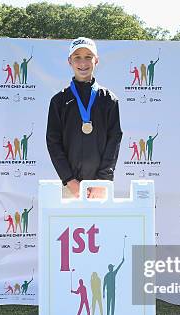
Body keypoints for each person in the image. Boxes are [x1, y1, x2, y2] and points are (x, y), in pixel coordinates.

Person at [46, 37, 123, 199]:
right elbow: (53, 143)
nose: (83, 62)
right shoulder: (59, 101)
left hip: (100, 188)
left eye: (88, 57)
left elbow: (114, 141)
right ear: (69, 61)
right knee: (69, 225)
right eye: (77, 57)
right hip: (70, 188)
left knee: (101, 225)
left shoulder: (108, 99)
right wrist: (69, 180)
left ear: (97, 60)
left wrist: (102, 180)